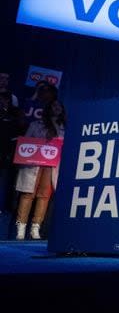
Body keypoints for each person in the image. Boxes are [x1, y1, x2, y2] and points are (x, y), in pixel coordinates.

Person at [15, 99, 65, 240]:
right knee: (27, 194)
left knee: (44, 196)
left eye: (59, 106)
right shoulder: (35, 124)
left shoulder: (65, 127)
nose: (57, 108)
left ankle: (35, 228)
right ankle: (21, 227)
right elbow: (25, 143)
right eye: (54, 105)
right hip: (33, 164)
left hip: (52, 165)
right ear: (49, 108)